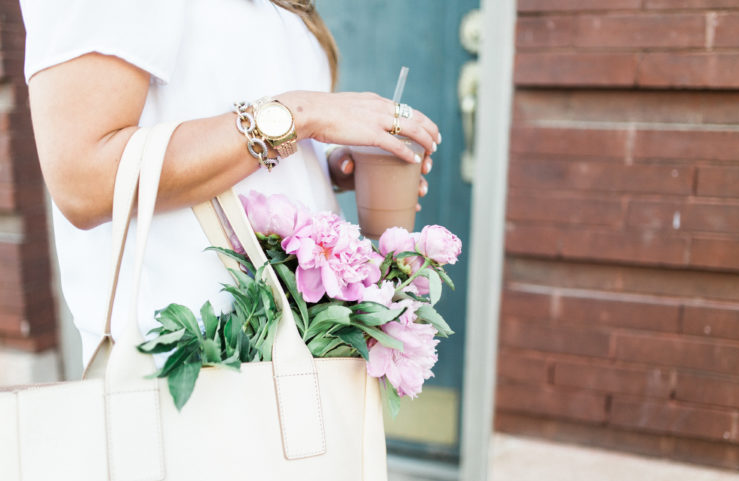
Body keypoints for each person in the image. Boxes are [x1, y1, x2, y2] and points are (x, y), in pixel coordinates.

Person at [20, 0, 440, 367]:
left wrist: (319, 168)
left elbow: (211, 109)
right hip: (187, 360)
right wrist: (304, 114)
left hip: (298, 350)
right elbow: (84, 180)